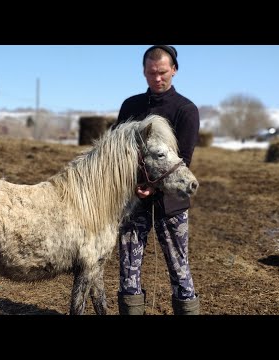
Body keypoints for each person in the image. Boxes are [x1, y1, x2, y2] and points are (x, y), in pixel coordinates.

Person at [112, 45, 200, 315]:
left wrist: (152, 188)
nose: (158, 78)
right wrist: (136, 189)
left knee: (179, 267)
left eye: (162, 72)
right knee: (128, 271)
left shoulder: (186, 110)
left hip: (171, 203)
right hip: (133, 202)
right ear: (144, 72)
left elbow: (182, 160)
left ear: (174, 70)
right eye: (152, 73)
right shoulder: (131, 106)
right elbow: (117, 153)